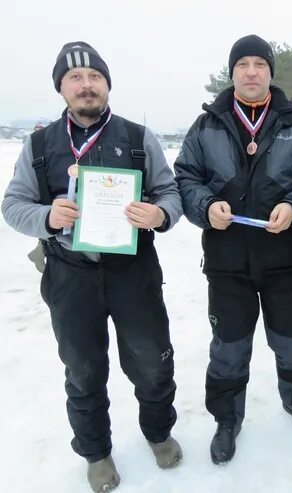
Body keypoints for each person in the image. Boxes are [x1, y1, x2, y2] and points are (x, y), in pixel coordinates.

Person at [2, 41, 183, 493]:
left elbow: (172, 194)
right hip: (69, 273)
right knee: (82, 368)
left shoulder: (138, 137)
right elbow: (12, 205)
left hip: (133, 271)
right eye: (75, 78)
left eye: (95, 77)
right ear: (61, 88)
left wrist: (159, 215)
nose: (87, 85)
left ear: (107, 84)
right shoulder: (40, 145)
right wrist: (47, 217)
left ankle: (158, 432)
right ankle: (96, 452)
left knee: (152, 362)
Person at [174, 34, 292, 465]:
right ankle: (227, 419)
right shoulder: (207, 125)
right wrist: (206, 206)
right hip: (228, 263)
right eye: (243, 64)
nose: (251, 71)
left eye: (260, 63)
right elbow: (185, 177)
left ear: (270, 72)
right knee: (228, 347)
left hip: (285, 260)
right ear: (233, 73)